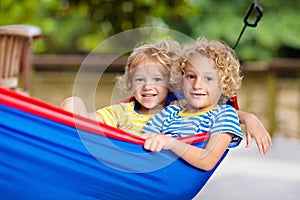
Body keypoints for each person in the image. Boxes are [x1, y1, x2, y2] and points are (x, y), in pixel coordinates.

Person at [61, 39, 271, 155]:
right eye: (140, 79)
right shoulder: (124, 110)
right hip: (104, 155)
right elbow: (86, 125)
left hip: (146, 163)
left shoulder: (176, 109)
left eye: (156, 80)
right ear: (130, 83)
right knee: (72, 103)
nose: (148, 87)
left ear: (170, 83)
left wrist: (249, 118)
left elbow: (219, 112)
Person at [142, 37, 244, 170]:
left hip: (177, 178)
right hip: (152, 173)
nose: (197, 85)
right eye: (191, 76)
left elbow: (208, 161)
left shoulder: (224, 115)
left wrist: (170, 143)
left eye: (208, 78)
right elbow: (141, 141)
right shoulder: (169, 112)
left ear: (224, 85)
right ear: (181, 79)